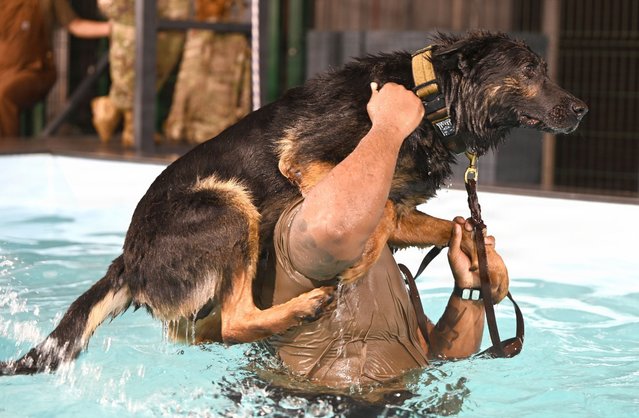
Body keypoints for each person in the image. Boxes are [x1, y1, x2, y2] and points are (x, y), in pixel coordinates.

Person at [265, 82, 509, 388]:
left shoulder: (379, 242)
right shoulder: (295, 229)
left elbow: (444, 357)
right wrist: (388, 128)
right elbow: (337, 226)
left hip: (404, 403)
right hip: (322, 405)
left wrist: (469, 291)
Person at [0, 0, 111, 138]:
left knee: (4, 94)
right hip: (3, 71)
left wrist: (112, 29)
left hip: (35, 71)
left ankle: (8, 153)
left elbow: (74, 24)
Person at [91, 0, 189, 147]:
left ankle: (110, 108)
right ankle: (132, 126)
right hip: (129, 16)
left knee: (166, 49)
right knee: (132, 58)